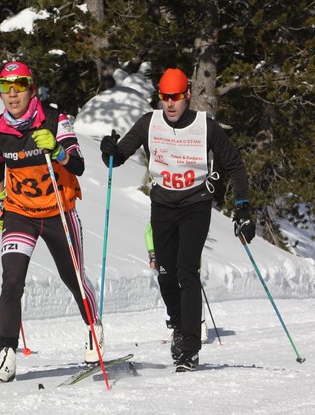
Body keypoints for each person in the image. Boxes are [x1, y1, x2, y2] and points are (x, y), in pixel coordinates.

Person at [100, 68, 254, 372]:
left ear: (187, 96)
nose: (170, 104)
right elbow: (118, 157)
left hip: (195, 205)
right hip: (163, 206)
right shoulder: (149, 123)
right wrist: (109, 151)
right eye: (165, 97)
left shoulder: (206, 127)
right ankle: (180, 324)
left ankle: (189, 347)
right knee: (166, 273)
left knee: (187, 270)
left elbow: (235, 166)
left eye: (176, 97)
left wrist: (243, 208)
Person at [0, 61, 101, 383]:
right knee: (12, 280)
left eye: (18, 87)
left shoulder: (54, 119)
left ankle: (94, 328)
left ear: (31, 89)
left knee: (72, 276)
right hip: (20, 212)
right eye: (4, 87)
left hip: (58, 211)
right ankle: (7, 353)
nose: (11, 94)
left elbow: (78, 165)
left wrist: (58, 151)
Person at [145, 221, 208, 343]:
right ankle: (172, 325)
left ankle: (200, 324)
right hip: (167, 254)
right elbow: (148, 232)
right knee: (168, 288)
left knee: (190, 288)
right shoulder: (163, 211)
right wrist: (152, 254)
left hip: (187, 254)